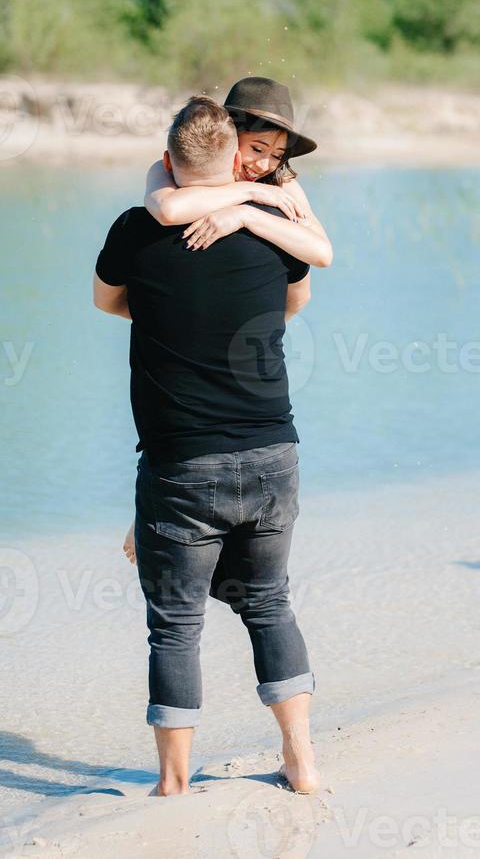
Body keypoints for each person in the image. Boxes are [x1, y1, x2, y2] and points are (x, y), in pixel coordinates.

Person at [93, 89, 332, 797]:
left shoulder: (137, 228)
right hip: (272, 456)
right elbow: (297, 300)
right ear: (234, 154)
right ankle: (301, 761)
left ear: (171, 159)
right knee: (267, 603)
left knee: (175, 624)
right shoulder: (272, 229)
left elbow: (107, 301)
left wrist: (164, 299)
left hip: (179, 467)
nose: (265, 163)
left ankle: (173, 784)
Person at [123, 76, 330, 564]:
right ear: (227, 132)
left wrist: (249, 218)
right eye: (257, 147)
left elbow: (321, 251)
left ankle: (161, 514)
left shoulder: (281, 184)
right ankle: (150, 511)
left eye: (277, 153)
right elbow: (169, 208)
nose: (265, 163)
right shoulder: (170, 170)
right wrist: (240, 198)